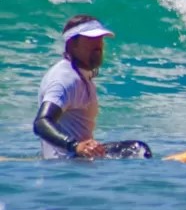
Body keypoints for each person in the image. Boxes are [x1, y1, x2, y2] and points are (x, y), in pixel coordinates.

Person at [33, 15, 151, 160]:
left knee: (135, 150)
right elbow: (41, 122)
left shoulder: (81, 74)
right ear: (72, 45)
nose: (98, 46)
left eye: (100, 39)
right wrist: (75, 145)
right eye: (90, 39)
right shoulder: (64, 79)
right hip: (65, 163)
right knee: (138, 150)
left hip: (78, 159)